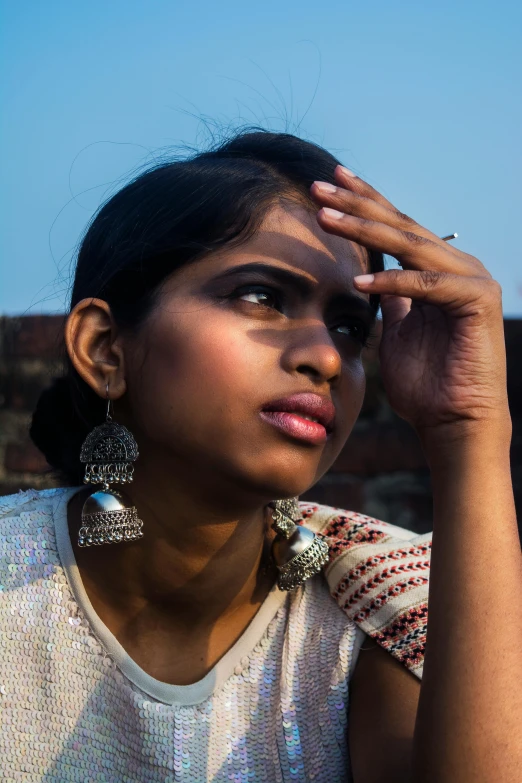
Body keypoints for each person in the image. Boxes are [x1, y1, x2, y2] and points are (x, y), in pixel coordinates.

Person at [1, 130, 520, 782]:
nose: (327, 357)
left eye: (350, 326)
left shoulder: (378, 596)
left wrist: (467, 430)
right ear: (106, 349)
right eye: (262, 296)